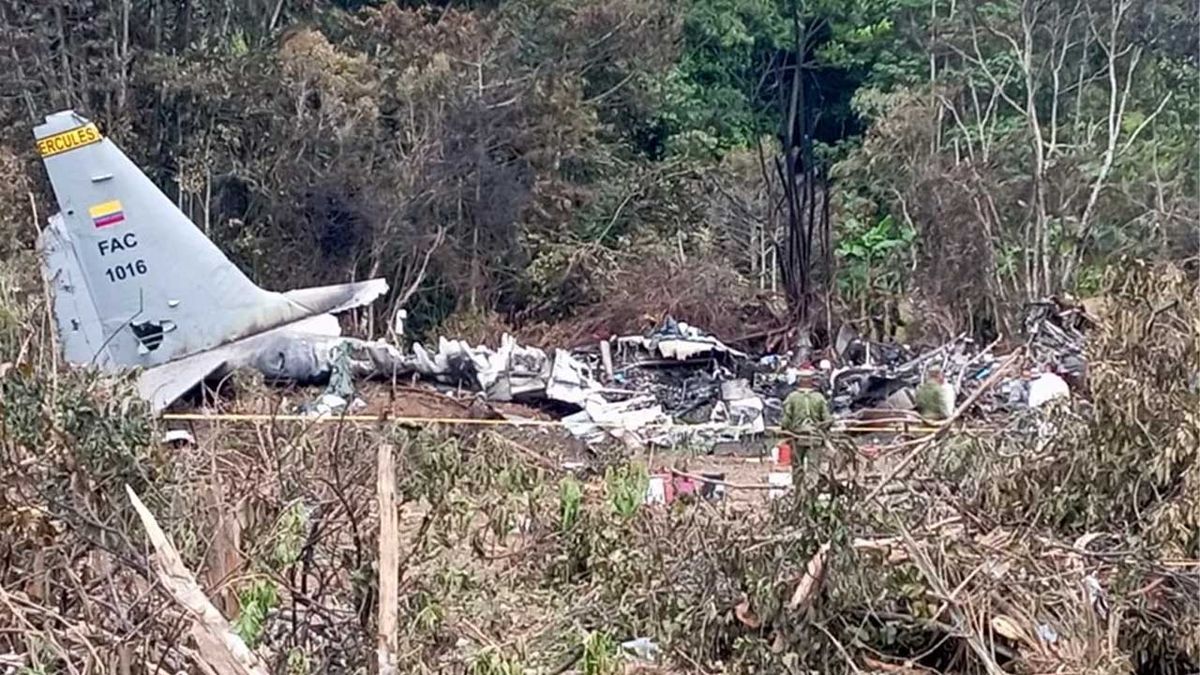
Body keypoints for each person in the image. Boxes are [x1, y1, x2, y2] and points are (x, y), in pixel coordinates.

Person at [780, 370, 830, 487]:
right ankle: (812, 487)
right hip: (815, 437)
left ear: (799, 381)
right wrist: (823, 431)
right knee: (813, 465)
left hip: (797, 437)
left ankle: (798, 488)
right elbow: (827, 419)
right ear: (812, 381)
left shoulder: (792, 397)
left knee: (797, 465)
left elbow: (786, 420)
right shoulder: (819, 397)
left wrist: (784, 430)